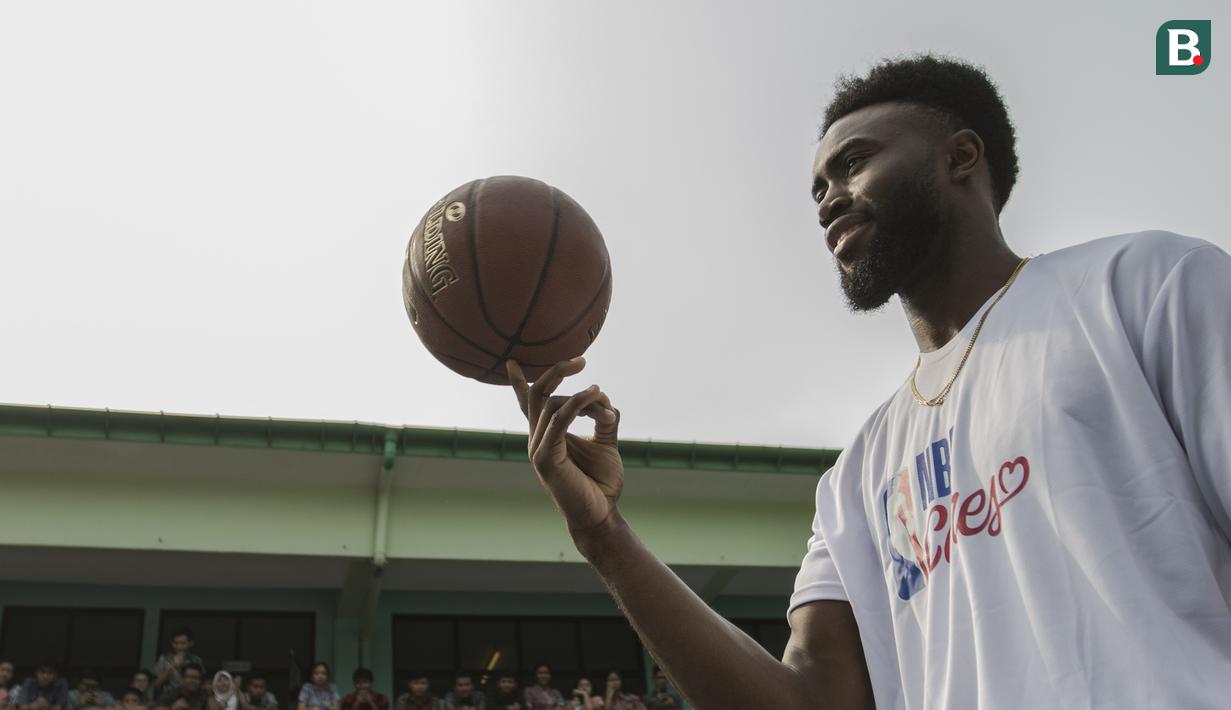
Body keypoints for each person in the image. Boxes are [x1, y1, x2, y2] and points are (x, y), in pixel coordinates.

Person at [505, 52, 1231, 710]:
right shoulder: (856, 477)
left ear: (961, 157)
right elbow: (807, 703)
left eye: (852, 163)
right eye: (817, 186)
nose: (827, 199)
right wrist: (603, 536)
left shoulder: (1144, 285)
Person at [152, 629, 204, 695]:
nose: (179, 646)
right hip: (166, 699)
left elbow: (201, 685)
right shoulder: (164, 659)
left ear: (191, 643)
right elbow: (155, 685)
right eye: (176, 643)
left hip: (190, 699)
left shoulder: (196, 660)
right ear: (171, 643)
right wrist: (172, 666)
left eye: (183, 643)